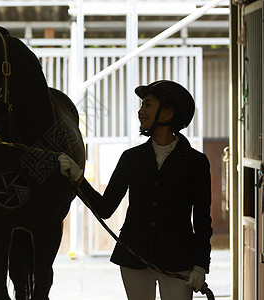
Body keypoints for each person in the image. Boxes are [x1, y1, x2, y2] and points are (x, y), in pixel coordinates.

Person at [58, 80, 212, 300]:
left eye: (148, 105)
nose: (140, 111)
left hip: (178, 261)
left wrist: (200, 265)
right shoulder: (131, 158)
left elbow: (202, 220)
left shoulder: (196, 162)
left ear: (167, 114)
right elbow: (105, 208)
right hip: (134, 257)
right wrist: (78, 178)